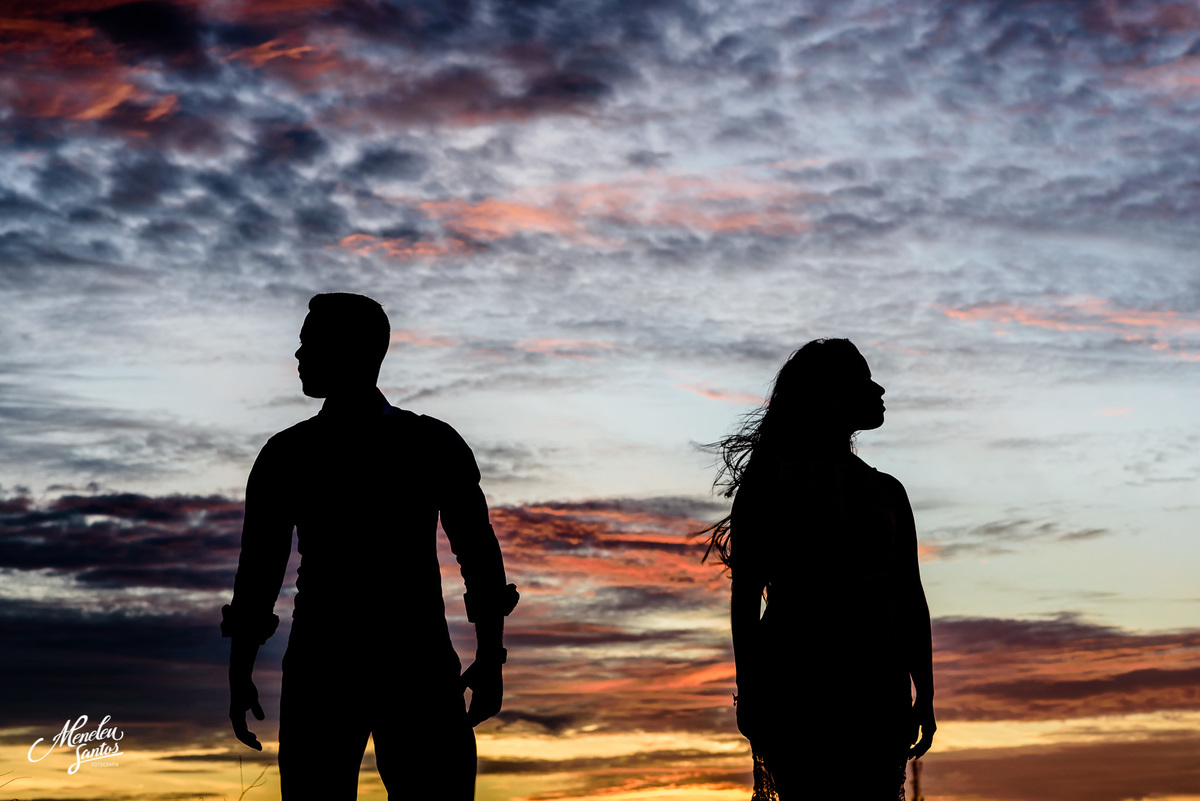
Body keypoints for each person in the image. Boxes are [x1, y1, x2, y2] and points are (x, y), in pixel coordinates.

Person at [221, 292, 518, 800]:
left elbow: (480, 559)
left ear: (353, 351)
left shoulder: (292, 453)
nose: (297, 357)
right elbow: (259, 573)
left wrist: (491, 658)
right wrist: (489, 657)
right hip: (387, 663)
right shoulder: (424, 443)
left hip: (355, 666)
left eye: (308, 344)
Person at [700, 338, 934, 800]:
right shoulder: (772, 482)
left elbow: (911, 596)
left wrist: (923, 693)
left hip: (877, 690)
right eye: (865, 380)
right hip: (800, 686)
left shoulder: (888, 490)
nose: (880, 388)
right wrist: (749, 688)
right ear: (833, 394)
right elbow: (745, 597)